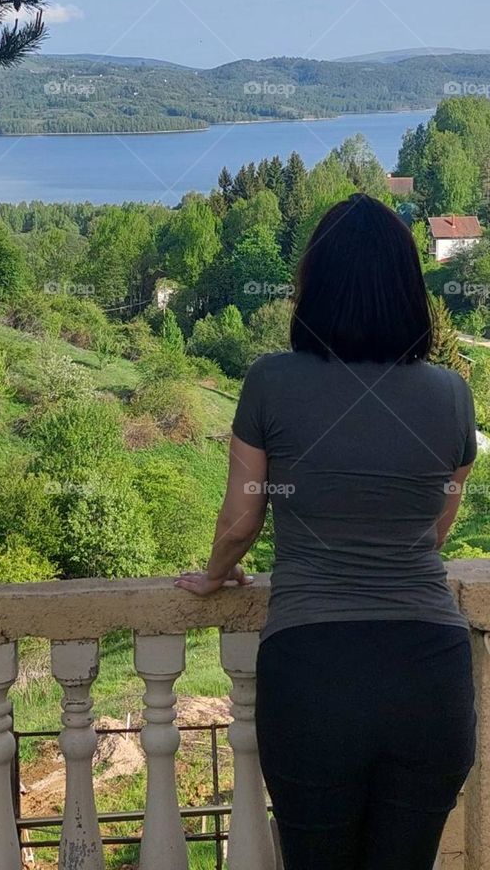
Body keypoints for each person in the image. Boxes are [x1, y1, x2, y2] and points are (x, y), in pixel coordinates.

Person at [176, 194, 477, 870]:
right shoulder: (451, 395)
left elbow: (242, 517)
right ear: (407, 290)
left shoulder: (271, 383)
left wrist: (216, 575)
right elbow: (435, 527)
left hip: (315, 671)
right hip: (431, 670)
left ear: (315, 287)